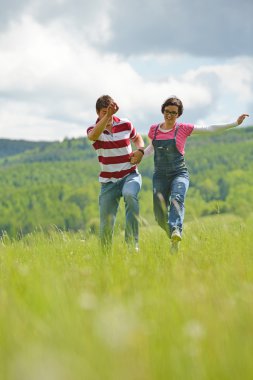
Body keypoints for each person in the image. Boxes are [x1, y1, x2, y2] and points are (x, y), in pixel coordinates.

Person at [131, 96, 249, 253]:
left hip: (179, 173)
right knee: (159, 216)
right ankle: (173, 237)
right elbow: (152, 148)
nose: (169, 115)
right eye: (167, 111)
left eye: (173, 112)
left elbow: (209, 129)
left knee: (177, 198)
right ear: (162, 111)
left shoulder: (183, 129)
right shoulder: (154, 130)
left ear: (178, 114)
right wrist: (138, 158)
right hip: (159, 176)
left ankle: (176, 230)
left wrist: (235, 123)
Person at [87, 95, 145, 251]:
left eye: (110, 111)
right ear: (98, 113)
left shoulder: (125, 124)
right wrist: (107, 116)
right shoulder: (94, 130)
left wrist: (140, 150)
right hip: (108, 183)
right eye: (104, 112)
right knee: (106, 224)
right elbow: (92, 136)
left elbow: (137, 137)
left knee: (130, 195)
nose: (109, 115)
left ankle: (132, 246)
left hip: (130, 175)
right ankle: (105, 260)